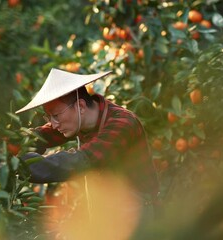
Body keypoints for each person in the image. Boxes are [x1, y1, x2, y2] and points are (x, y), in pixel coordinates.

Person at [16, 68, 159, 199]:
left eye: (56, 116)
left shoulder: (123, 123)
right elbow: (41, 136)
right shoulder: (77, 121)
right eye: (49, 118)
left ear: (80, 106)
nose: (54, 124)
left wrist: (20, 165)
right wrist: (6, 144)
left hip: (137, 211)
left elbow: (83, 160)